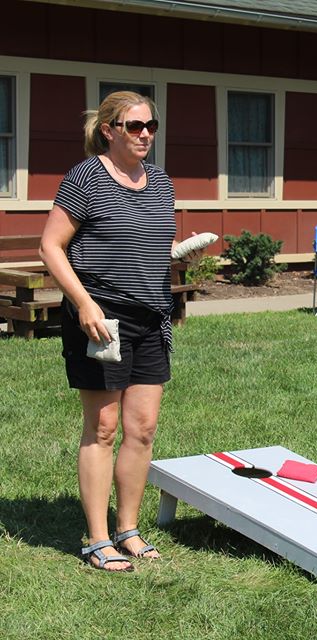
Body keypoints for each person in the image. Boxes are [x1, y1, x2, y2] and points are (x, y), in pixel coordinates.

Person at [39, 92, 200, 571]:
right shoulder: (86, 177)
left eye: (151, 124)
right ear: (109, 130)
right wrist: (83, 302)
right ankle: (96, 538)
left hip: (150, 317)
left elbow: (148, 243)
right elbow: (50, 246)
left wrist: (177, 254)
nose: (145, 133)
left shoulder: (162, 184)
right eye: (134, 126)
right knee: (103, 428)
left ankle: (128, 529)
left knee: (143, 429)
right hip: (101, 316)